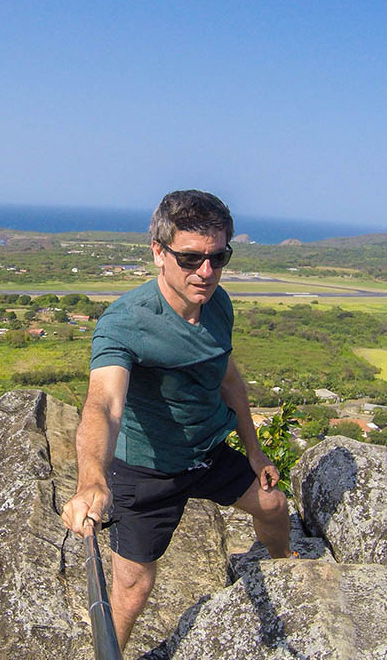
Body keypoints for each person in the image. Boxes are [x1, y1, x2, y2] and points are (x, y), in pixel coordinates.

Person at [60, 189, 291, 650]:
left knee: (274, 507)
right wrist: (92, 480)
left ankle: (290, 573)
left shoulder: (218, 305)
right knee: (132, 588)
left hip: (205, 452)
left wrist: (254, 450)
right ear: (158, 253)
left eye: (218, 257)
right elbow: (104, 404)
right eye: (189, 258)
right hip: (146, 471)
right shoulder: (126, 322)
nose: (205, 272)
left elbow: (228, 379)